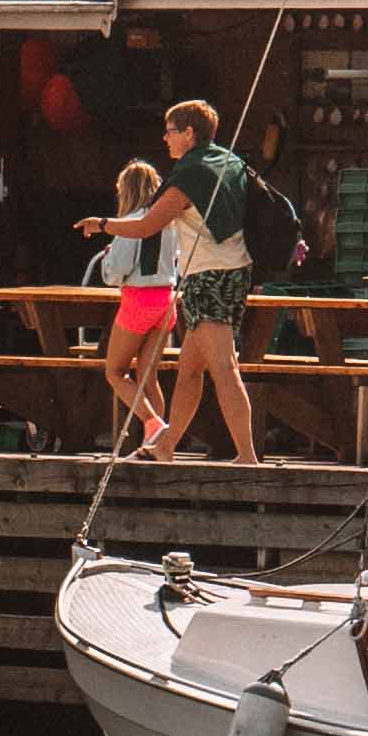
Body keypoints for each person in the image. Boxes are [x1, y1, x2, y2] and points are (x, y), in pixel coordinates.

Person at [143, 95, 261, 464]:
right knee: (190, 370)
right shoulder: (231, 162)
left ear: (189, 133)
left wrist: (102, 224)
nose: (165, 138)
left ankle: (247, 455)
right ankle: (166, 446)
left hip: (210, 276)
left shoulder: (191, 173)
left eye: (170, 131)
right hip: (226, 273)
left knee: (224, 368)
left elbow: (148, 224)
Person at [84, 159, 182, 444]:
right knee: (148, 376)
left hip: (138, 301)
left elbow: (116, 273)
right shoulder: (169, 222)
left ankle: (151, 424)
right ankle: (156, 445)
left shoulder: (130, 223)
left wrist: (108, 256)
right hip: (166, 301)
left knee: (115, 372)